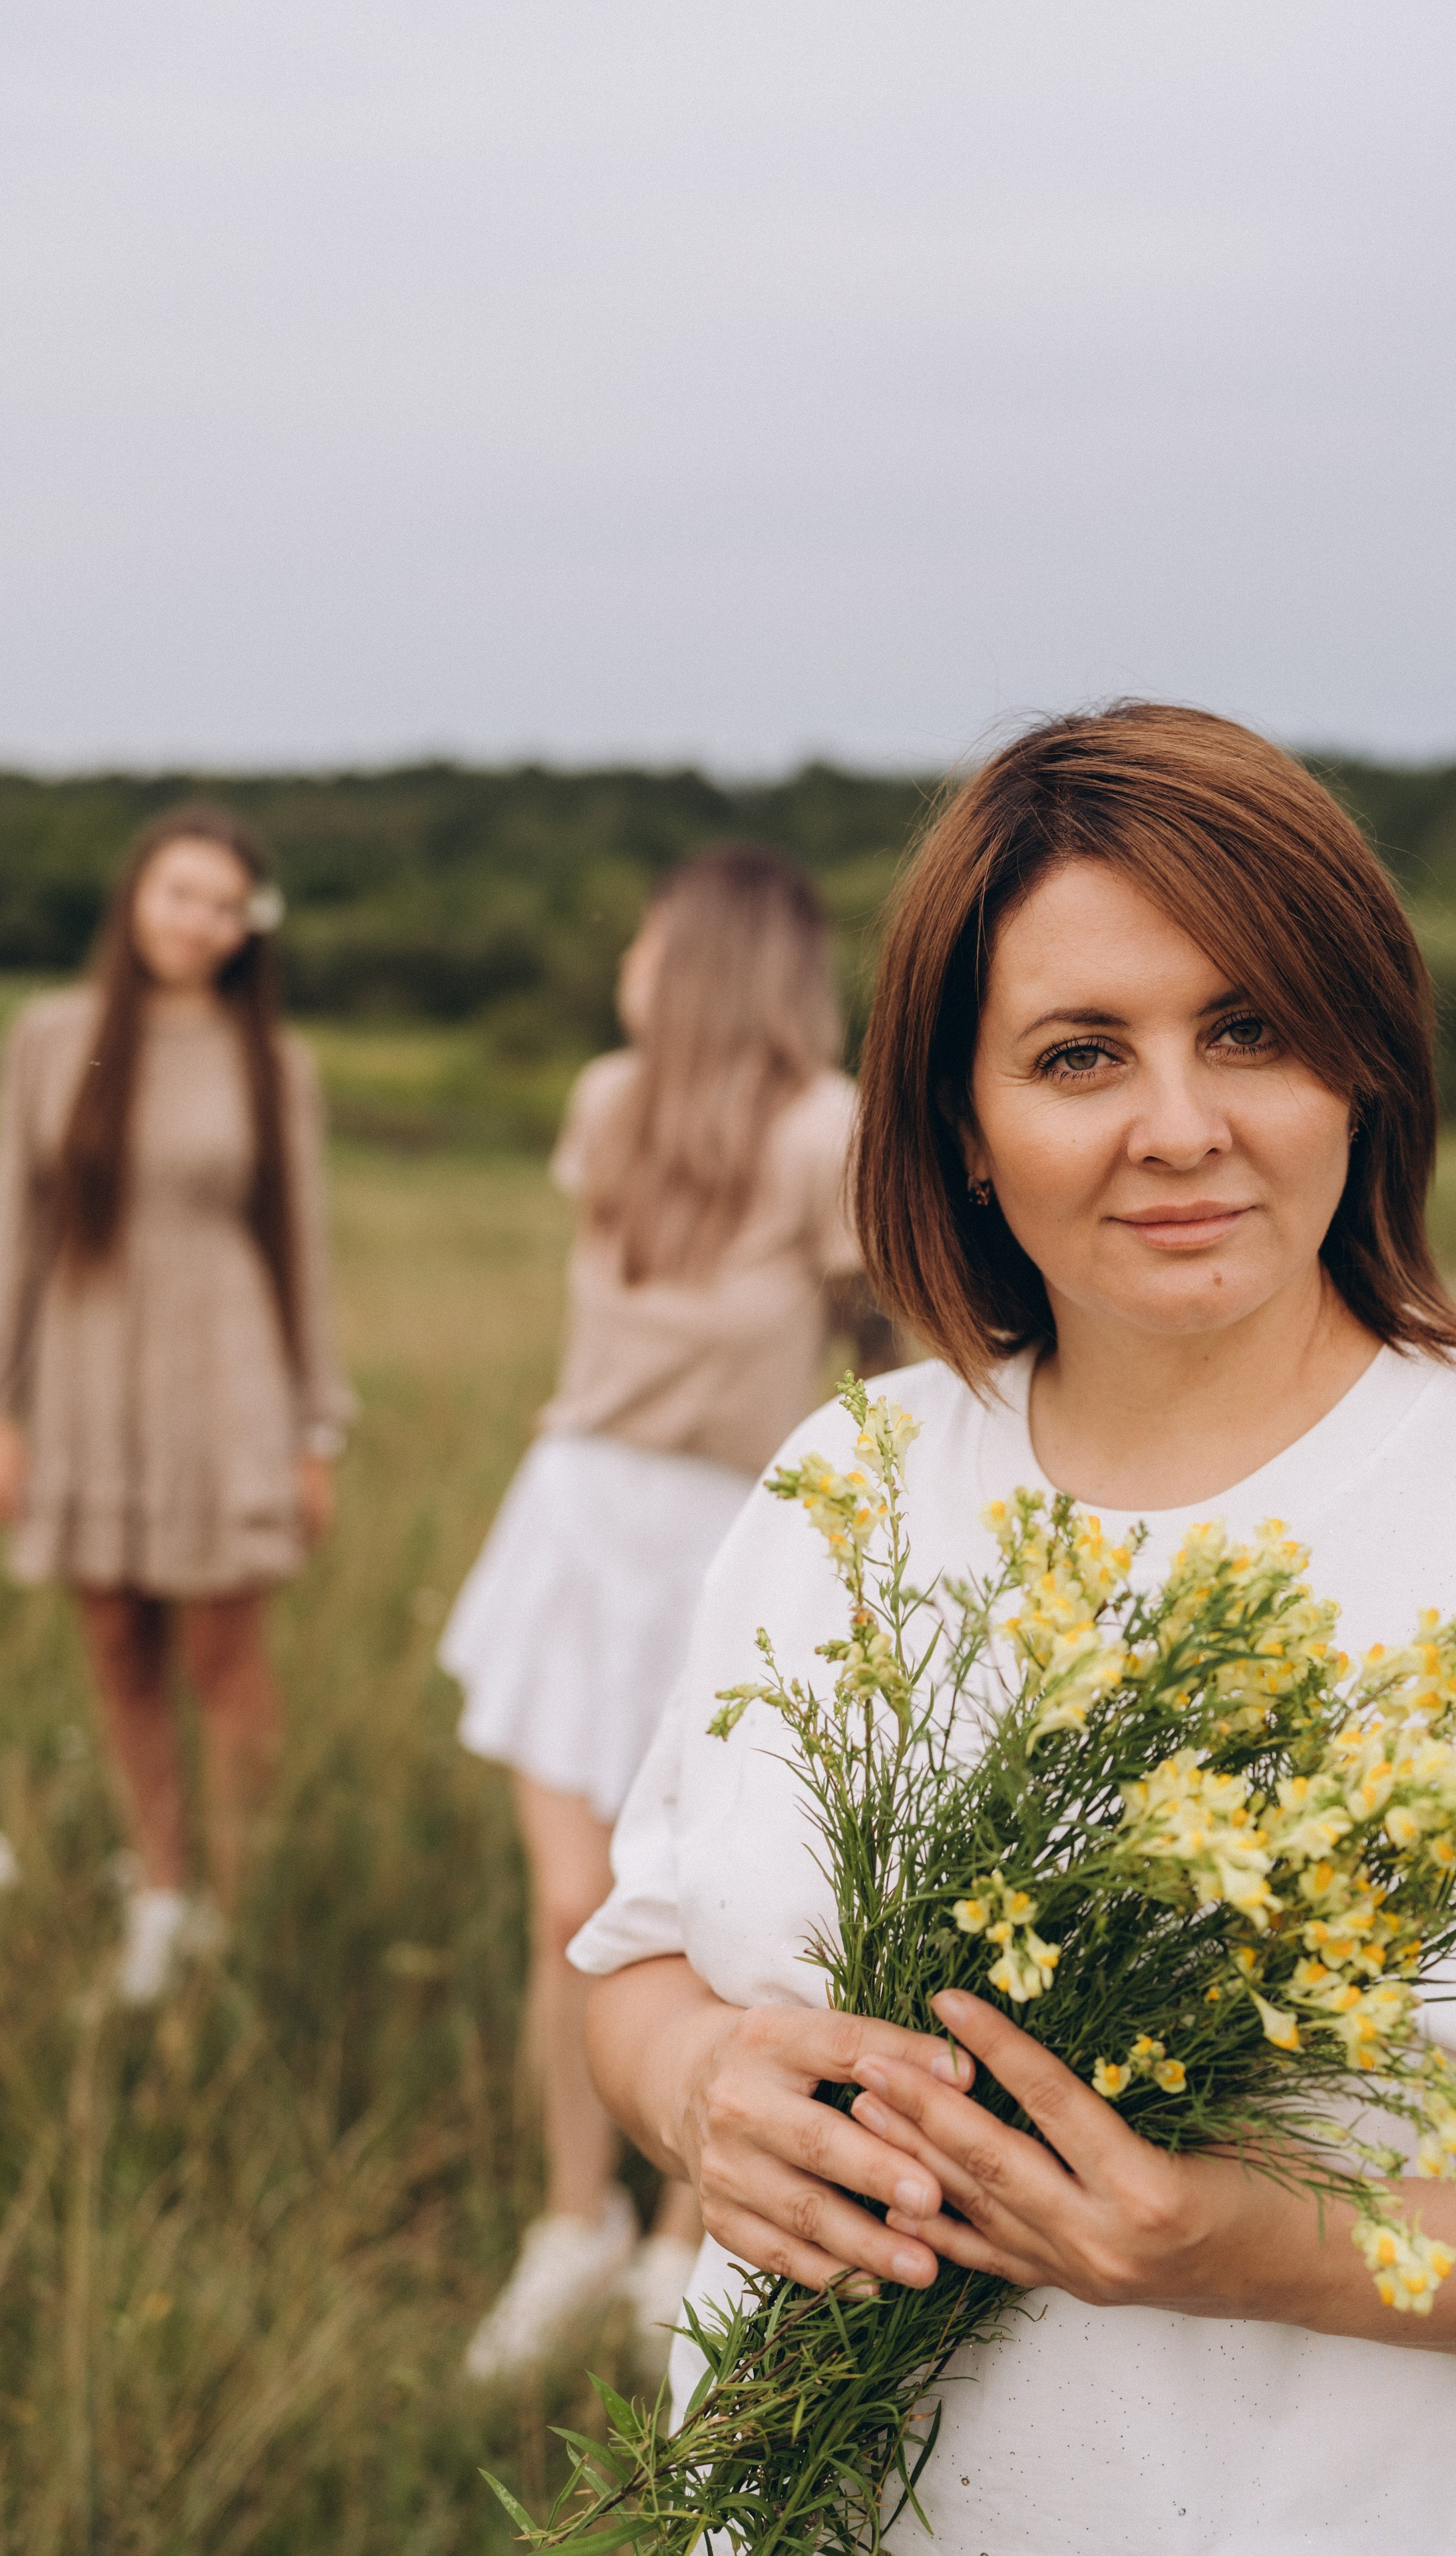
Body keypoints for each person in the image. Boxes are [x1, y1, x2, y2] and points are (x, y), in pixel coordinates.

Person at [571, 707, 1456, 2556]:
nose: (1180, 1128)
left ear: (1366, 1064)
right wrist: (703, 2091)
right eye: (1080, 1053)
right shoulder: (847, 1480)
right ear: (964, 1122)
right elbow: (632, 1967)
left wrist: (1265, 2253)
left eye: (1248, 1028)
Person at [443, 843, 898, 2384]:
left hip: (731, 1543)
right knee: (567, 1907)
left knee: (720, 1918)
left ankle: (680, 2240)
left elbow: (884, 1345)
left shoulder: (822, 1131)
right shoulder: (605, 1100)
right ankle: (569, 2223)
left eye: (648, 934)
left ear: (698, 955)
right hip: (579, 1518)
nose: (627, 955)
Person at [0, 805, 351, 2006]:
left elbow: (300, 1246)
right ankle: (160, 1883)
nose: (194, 920)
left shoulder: (273, 1058)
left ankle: (236, 1904)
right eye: (176, 892)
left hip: (228, 1371)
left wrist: (317, 1428)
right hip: (87, 1371)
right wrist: (4, 1410)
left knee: (222, 1648)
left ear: (247, 925)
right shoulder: (53, 1033)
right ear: (136, 896)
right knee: (112, 1633)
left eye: (220, 902)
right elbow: (17, 1227)